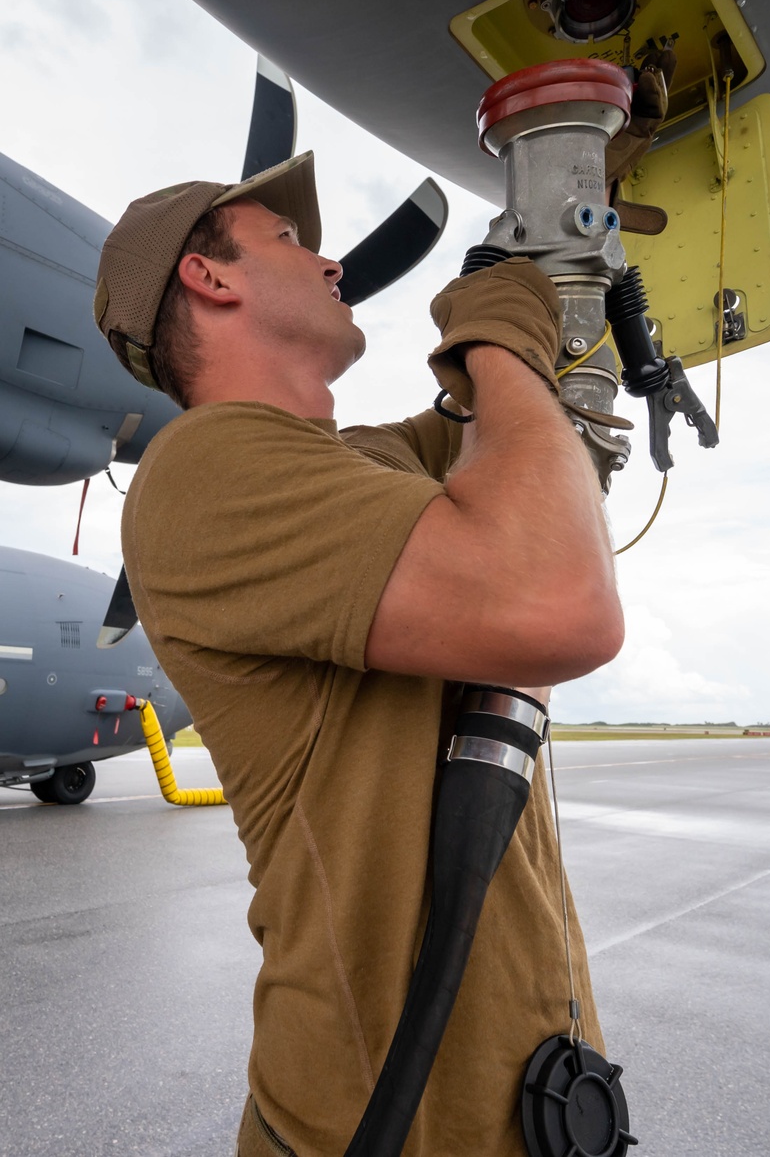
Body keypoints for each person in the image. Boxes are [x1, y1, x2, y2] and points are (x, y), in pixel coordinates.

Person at [93, 151, 624, 1156]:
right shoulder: (204, 469)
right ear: (210, 279)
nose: (333, 262)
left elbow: (530, 441)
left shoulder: (367, 462)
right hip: (393, 1124)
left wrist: (578, 219)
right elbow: (556, 599)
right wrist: (496, 331)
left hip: (520, 1102)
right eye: (289, 242)